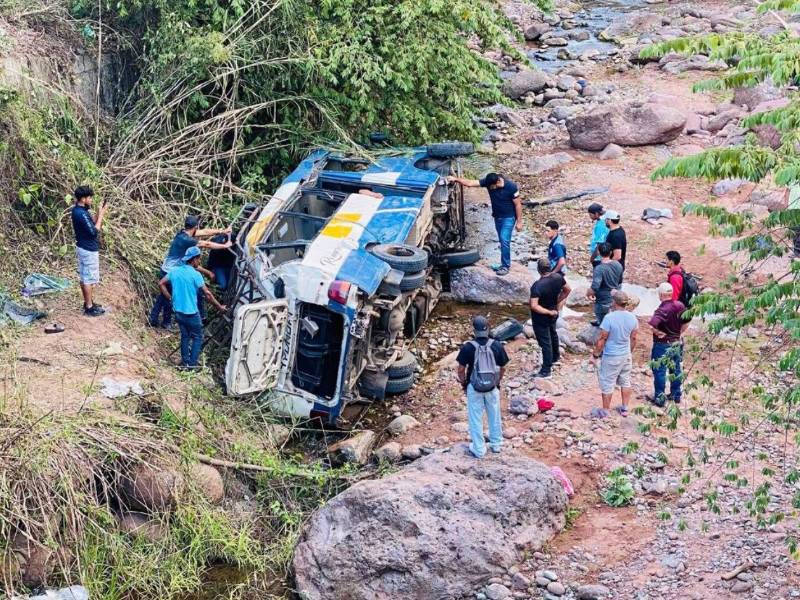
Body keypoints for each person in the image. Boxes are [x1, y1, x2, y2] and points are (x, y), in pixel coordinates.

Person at [150, 216, 231, 329]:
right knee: (170, 297)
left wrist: (223, 231)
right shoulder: (187, 241)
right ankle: (166, 323)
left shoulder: (182, 233)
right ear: (195, 226)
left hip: (166, 269)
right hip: (171, 271)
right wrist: (225, 246)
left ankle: (153, 319)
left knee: (163, 296)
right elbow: (206, 244)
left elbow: (205, 232)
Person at [158, 246, 227, 369]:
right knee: (197, 337)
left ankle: (185, 362)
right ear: (194, 259)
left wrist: (170, 298)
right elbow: (208, 294)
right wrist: (219, 307)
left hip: (178, 311)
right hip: (191, 313)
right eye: (199, 259)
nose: (199, 261)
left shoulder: (175, 271)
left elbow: (161, 283)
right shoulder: (196, 275)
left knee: (185, 336)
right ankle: (193, 364)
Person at [447, 172, 522, 276]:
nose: (490, 188)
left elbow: (518, 205)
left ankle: (505, 266)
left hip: (508, 218)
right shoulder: (488, 182)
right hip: (497, 218)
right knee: (501, 240)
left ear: (498, 182)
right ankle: (502, 263)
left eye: (492, 186)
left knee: (504, 240)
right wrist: (455, 179)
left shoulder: (511, 187)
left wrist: (519, 222)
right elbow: (470, 183)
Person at [456, 316, 510, 458]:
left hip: (474, 387)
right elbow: (503, 367)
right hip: (492, 387)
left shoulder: (468, 347)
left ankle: (479, 449)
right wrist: (497, 381)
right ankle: (496, 444)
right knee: (494, 415)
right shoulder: (496, 345)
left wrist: (464, 383)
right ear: (488, 328)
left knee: (475, 418)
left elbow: (461, 370)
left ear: (474, 330)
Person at [590, 290, 638, 418]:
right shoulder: (632, 317)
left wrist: (595, 355)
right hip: (626, 354)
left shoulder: (609, 318)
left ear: (614, 302)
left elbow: (602, 339)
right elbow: (633, 339)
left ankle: (605, 411)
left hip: (611, 355)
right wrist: (629, 352)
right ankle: (625, 408)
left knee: (607, 382)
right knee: (625, 381)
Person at [530, 257, 572, 379]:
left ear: (539, 270)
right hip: (553, 311)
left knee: (545, 342)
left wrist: (547, 312)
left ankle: (546, 370)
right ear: (550, 267)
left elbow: (534, 305)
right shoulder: (558, 277)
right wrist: (558, 302)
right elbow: (568, 289)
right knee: (553, 333)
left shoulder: (537, 286)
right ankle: (555, 357)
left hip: (541, 317)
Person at [648, 282, 689, 407]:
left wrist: (658, 332)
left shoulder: (662, 310)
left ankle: (660, 398)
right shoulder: (680, 305)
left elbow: (652, 324)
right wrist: (680, 333)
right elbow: (687, 320)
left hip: (662, 344)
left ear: (660, 295)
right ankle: (676, 395)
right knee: (675, 369)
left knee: (660, 370)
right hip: (676, 343)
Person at [70, 185, 108, 317]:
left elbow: (92, 223)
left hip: (83, 247)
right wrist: (102, 215)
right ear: (83, 198)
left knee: (84, 277)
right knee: (89, 279)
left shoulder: (80, 210)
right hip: (88, 249)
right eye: (90, 197)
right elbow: (94, 232)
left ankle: (88, 302)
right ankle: (89, 307)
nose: (91, 199)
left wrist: (98, 212)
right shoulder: (80, 213)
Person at [587, 242, 623, 326]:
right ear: (611, 252)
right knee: (612, 323)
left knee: (604, 325)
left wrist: (588, 293)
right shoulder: (618, 265)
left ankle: (600, 323)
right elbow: (619, 281)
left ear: (599, 252)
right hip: (614, 299)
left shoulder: (599, 268)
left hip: (602, 302)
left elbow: (595, 287)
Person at [604, 209, 627, 274]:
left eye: (606, 220)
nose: (605, 221)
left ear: (610, 220)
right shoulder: (619, 229)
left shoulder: (615, 236)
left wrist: (606, 266)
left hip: (614, 269)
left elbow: (617, 256)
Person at [587, 203, 609, 267]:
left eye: (591, 214)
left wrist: (592, 258)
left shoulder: (600, 225)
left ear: (596, 214)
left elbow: (599, 245)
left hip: (599, 258)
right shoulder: (602, 221)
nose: (590, 216)